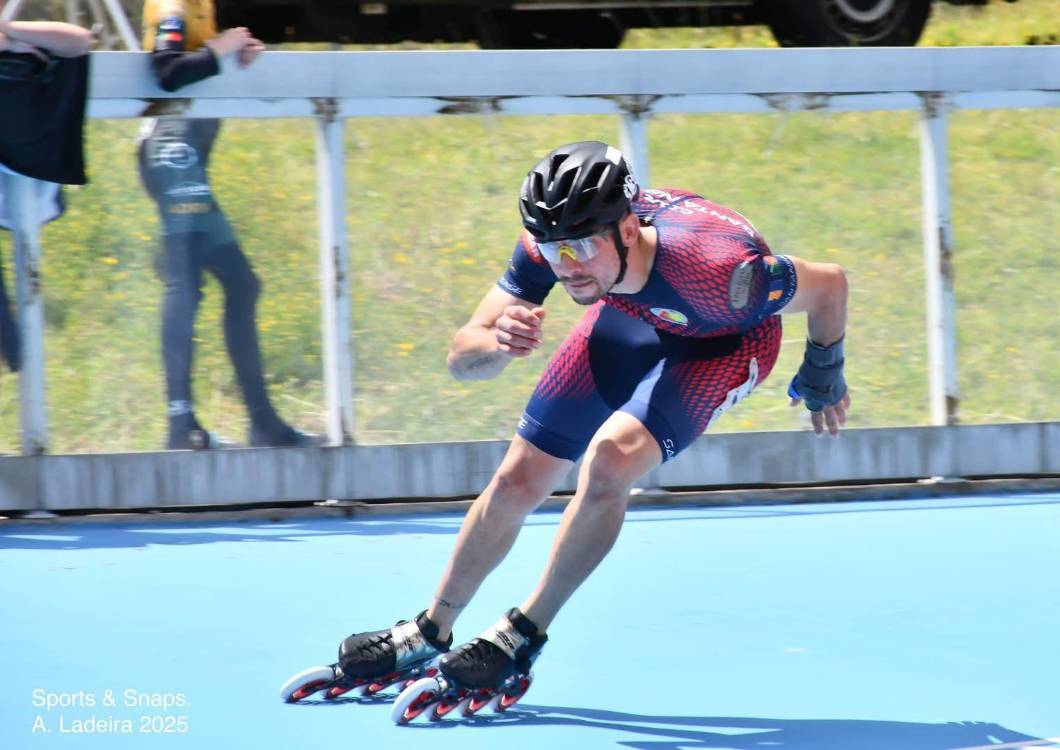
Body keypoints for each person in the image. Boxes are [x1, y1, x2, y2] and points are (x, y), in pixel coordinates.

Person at [310, 141, 850, 717]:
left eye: (582, 247)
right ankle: (429, 629)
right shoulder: (555, 244)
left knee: (610, 459)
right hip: (631, 315)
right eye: (553, 248)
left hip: (724, 342)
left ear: (626, 228)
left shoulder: (725, 273)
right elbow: (460, 357)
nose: (566, 264)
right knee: (519, 477)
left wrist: (823, 370)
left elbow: (830, 285)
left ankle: (522, 633)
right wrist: (497, 343)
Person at [138, 0, 319, 449]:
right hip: (171, 149)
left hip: (187, 154)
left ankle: (261, 423)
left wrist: (233, 57)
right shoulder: (173, 3)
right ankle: (181, 424)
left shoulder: (201, 5)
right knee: (186, 285)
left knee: (241, 283)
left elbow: (195, 65)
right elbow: (165, 71)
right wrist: (222, 51)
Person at [0, 13, 92, 373]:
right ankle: (16, 353)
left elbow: (79, 42)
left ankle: (20, 358)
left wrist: (10, 32)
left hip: (23, 159)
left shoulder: (24, 33)